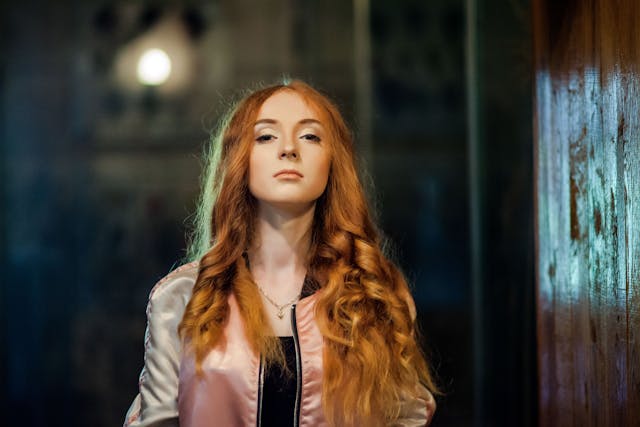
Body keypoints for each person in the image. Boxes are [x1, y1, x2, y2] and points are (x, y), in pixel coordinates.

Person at [124, 79, 438, 427]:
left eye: (310, 136)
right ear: (239, 158)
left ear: (333, 162)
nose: (289, 149)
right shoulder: (182, 298)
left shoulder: (374, 293)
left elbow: (407, 416)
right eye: (266, 136)